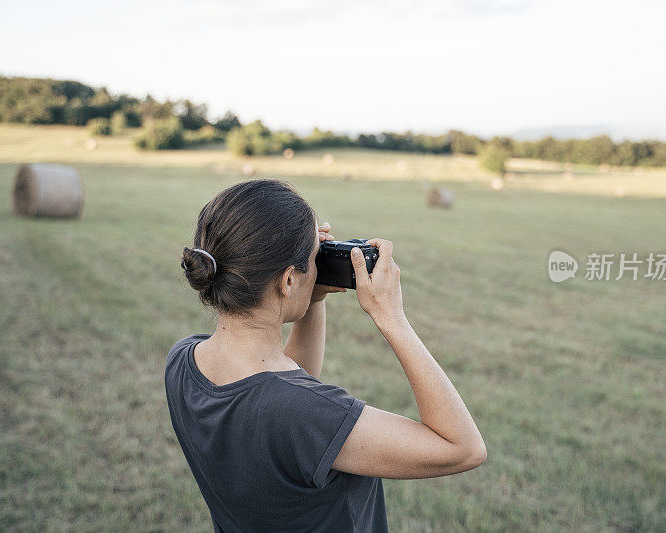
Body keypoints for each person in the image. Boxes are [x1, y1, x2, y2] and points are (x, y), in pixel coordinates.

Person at [164, 179, 486, 532]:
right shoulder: (304, 413)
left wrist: (312, 299)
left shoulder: (182, 360)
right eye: (311, 263)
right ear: (287, 281)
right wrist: (391, 317)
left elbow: (290, 383)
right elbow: (462, 448)